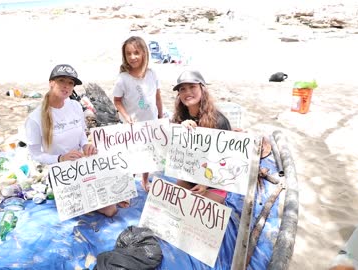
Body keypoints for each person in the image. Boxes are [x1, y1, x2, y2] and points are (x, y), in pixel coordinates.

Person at [24, 64, 117, 217]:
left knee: (112, 206)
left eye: (71, 83)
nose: (66, 86)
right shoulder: (35, 119)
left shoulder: (75, 106)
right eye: (62, 81)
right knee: (106, 209)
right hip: (62, 173)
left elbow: (81, 132)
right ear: (51, 83)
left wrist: (86, 145)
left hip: (83, 166)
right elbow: (35, 154)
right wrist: (60, 158)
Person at [171, 70, 232, 203]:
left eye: (192, 87)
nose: (187, 92)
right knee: (177, 210)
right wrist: (182, 129)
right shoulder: (179, 118)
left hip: (214, 181)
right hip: (189, 175)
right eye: (183, 89)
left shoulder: (219, 121)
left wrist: (205, 183)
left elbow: (227, 158)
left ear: (202, 89)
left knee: (198, 215)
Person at [113, 36, 163, 192]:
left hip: (151, 123)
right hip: (133, 126)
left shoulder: (152, 74)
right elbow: (117, 101)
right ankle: (128, 186)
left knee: (148, 154)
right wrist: (126, 118)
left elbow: (157, 96)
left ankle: (144, 180)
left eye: (136, 52)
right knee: (132, 156)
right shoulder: (123, 79)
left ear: (144, 53)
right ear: (125, 56)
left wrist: (160, 116)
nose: (133, 57)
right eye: (128, 54)